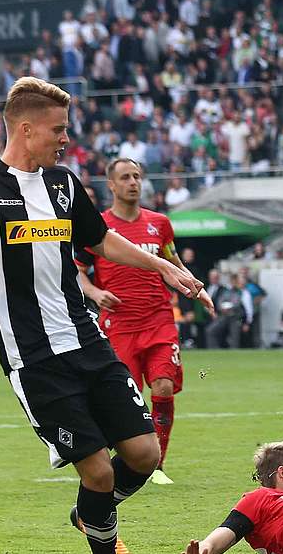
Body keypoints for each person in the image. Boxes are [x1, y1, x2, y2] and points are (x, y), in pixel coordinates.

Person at [0, 77, 209, 554]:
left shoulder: (65, 184)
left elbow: (102, 241)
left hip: (88, 341)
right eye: (57, 129)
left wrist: (164, 267)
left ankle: (91, 515)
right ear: (25, 129)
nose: (65, 138)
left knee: (144, 455)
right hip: (34, 357)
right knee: (95, 469)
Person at [76, 158, 204, 485]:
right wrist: (94, 292)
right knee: (125, 400)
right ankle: (126, 458)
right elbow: (78, 272)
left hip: (159, 319)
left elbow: (172, 261)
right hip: (118, 325)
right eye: (125, 177)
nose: (133, 182)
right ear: (112, 186)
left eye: (137, 176)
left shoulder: (160, 223)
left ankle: (157, 464)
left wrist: (195, 287)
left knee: (162, 386)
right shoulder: (98, 226)